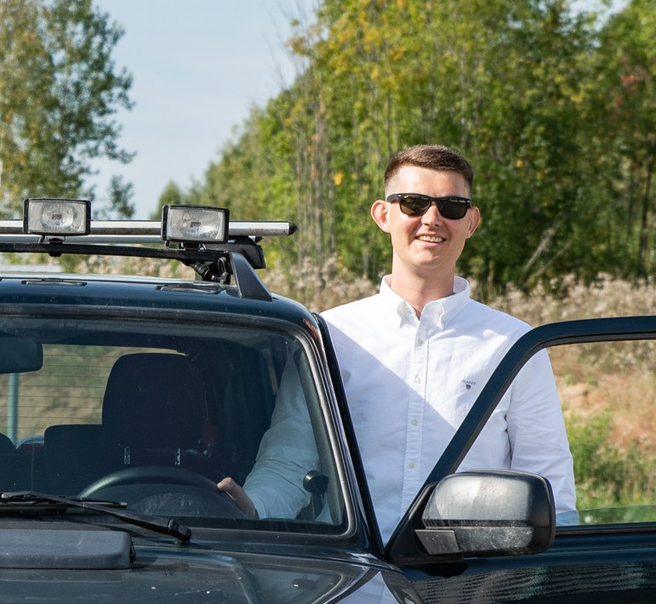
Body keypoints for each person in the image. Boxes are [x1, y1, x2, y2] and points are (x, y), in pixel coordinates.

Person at [233, 143, 575, 533]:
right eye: (413, 203)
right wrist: (251, 511)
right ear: (383, 214)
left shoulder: (515, 345)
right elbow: (291, 461)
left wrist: (550, 575)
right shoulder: (328, 336)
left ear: (471, 222)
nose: (432, 219)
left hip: (471, 578)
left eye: (451, 206)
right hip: (351, 577)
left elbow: (549, 484)